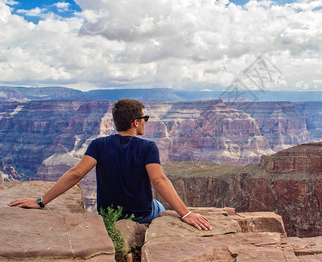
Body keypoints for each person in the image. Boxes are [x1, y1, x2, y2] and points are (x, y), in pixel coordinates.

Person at [8, 98, 212, 231]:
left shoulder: (98, 145)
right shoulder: (148, 147)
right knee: (159, 206)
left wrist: (41, 201)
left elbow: (75, 174)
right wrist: (185, 213)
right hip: (142, 215)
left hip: (108, 215)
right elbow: (158, 180)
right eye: (145, 118)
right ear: (135, 122)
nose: (146, 122)